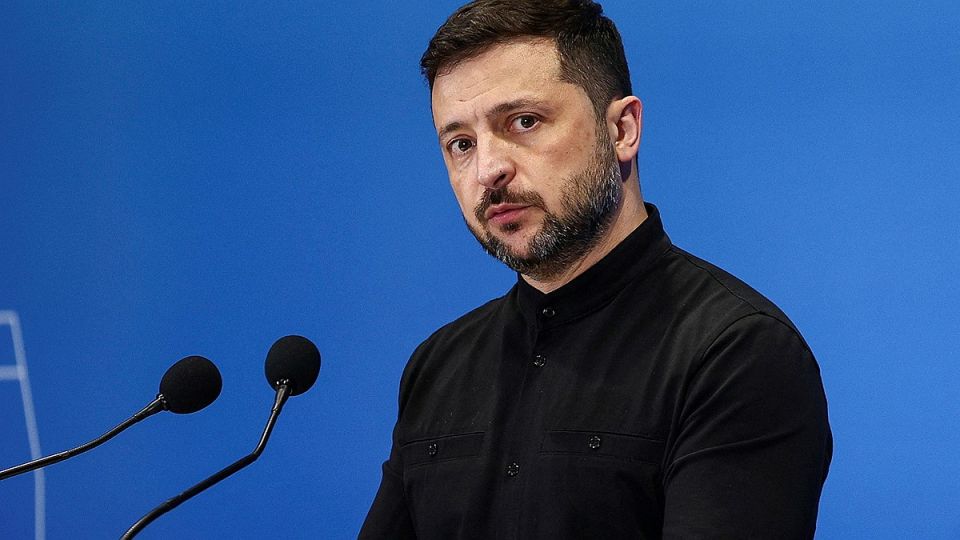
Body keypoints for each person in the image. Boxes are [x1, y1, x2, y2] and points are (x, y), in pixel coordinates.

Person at [360, 1, 832, 538]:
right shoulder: (437, 365)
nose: (488, 169)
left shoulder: (737, 353)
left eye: (524, 122)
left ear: (622, 130)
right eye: (461, 144)